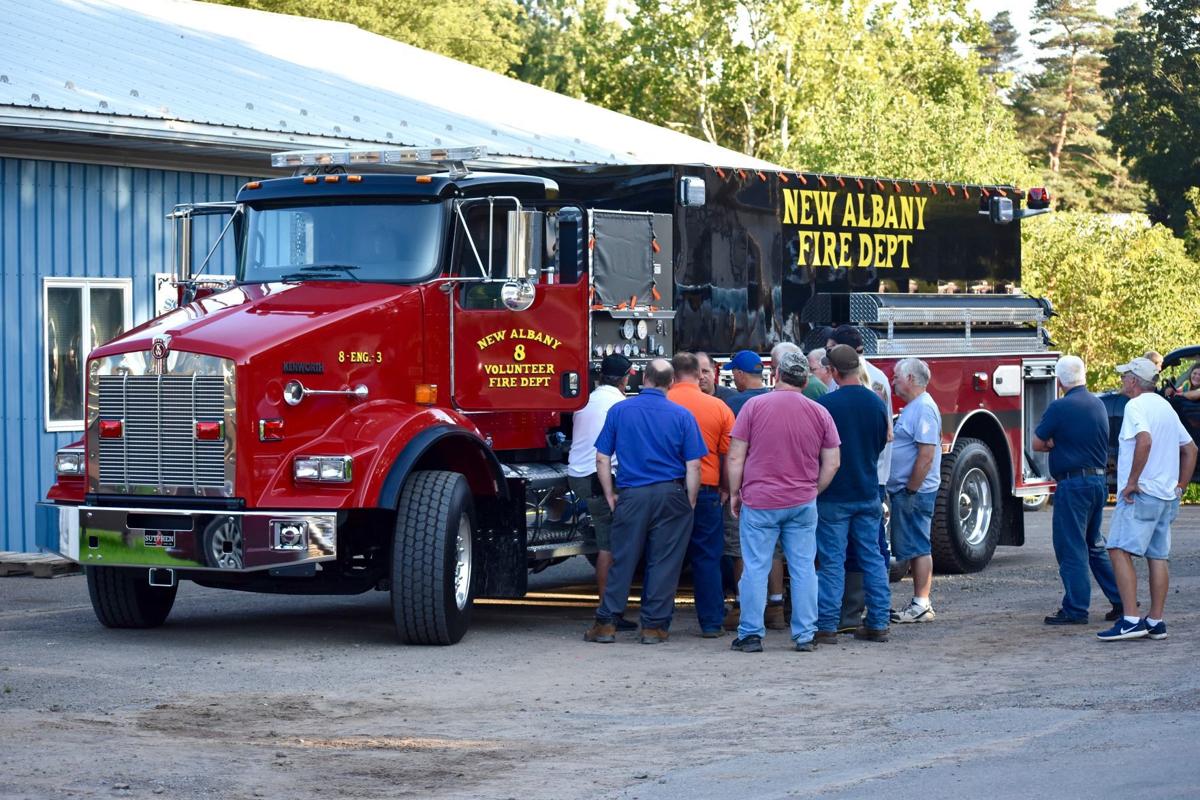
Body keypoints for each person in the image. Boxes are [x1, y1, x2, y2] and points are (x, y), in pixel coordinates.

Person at [726, 348, 841, 653]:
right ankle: (804, 634)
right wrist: (813, 490)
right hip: (802, 501)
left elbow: (736, 455)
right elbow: (832, 463)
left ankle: (751, 633)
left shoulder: (753, 407)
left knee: (755, 567)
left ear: (775, 375)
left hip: (760, 500)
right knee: (803, 567)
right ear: (804, 380)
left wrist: (735, 492)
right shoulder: (820, 412)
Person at [585, 358, 706, 645]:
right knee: (664, 561)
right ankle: (653, 627)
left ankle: (606, 623)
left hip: (631, 493)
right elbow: (694, 465)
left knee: (623, 559)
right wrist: (689, 499)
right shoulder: (682, 415)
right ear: (671, 383)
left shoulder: (619, 411)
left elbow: (602, 458)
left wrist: (610, 494)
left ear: (645, 380)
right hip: (671, 493)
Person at [1097, 357, 1198, 641]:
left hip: (1143, 493)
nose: (1121, 381)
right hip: (1167, 495)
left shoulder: (1135, 406)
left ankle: (1130, 619)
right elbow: (1190, 449)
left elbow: (1144, 440)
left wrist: (1130, 483)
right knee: (1157, 556)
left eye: (1124, 377)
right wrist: (1181, 485)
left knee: (1117, 548)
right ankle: (1155, 620)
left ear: (1133, 381)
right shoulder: (1165, 407)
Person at [1031, 355, 1122, 625]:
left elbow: (1037, 442)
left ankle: (1076, 608)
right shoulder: (1098, 404)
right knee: (1094, 545)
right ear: (1084, 375)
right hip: (1097, 483)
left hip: (1073, 484)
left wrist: (1052, 444)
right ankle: (1121, 600)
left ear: (1059, 381)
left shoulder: (1060, 407)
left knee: (1071, 547)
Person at [814, 345, 891, 643]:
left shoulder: (827, 405)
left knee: (832, 562)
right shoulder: (876, 402)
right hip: (868, 490)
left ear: (833, 371)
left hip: (834, 495)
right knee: (872, 557)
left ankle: (827, 626)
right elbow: (882, 441)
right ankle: (878, 622)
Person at [668, 352, 736, 637]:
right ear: (700, 375)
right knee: (707, 557)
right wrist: (725, 488)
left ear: (672, 375)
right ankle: (710, 622)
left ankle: (657, 622)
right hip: (708, 491)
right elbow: (728, 455)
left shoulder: (662, 404)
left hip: (667, 491)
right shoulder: (719, 407)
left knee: (664, 557)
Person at [719, 349, 785, 631]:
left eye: (734, 372)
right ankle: (777, 606)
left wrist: (728, 489)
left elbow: (731, 453)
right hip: (782, 486)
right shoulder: (779, 400)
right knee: (776, 551)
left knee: (741, 549)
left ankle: (744, 607)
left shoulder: (734, 404)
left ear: (740, 375)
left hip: (748, 486)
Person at [567, 353, 635, 629]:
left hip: (577, 474)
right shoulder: (619, 404)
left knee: (606, 541)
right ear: (627, 376)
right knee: (610, 546)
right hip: (599, 477)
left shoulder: (586, 400)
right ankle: (608, 611)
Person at [887, 357, 942, 624]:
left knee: (919, 545)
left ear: (910, 379)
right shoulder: (915, 407)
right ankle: (919, 602)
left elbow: (926, 455)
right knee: (914, 544)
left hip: (916, 493)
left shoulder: (923, 409)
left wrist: (910, 489)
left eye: (897, 376)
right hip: (910, 490)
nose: (893, 380)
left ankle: (922, 604)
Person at [723, 350, 770, 416]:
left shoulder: (734, 403)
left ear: (740, 374)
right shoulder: (774, 400)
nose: (734, 378)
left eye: (733, 374)